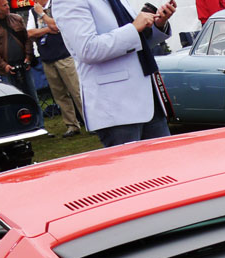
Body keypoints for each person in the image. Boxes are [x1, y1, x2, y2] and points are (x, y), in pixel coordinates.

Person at [58, 0, 177, 147]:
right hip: (117, 109)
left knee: (164, 160)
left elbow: (137, 43)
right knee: (129, 162)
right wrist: (134, 28)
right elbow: (87, 49)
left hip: (149, 100)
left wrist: (158, 24)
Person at [0, 0, 45, 128]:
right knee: (11, 99)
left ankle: (39, 125)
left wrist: (28, 57)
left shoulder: (17, 19)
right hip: (5, 69)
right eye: (4, 5)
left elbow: (27, 39)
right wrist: (4, 65)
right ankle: (17, 128)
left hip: (23, 65)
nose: (8, 7)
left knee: (32, 97)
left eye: (7, 4)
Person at [30, 0, 85, 136]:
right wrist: (48, 29)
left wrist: (42, 15)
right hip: (47, 58)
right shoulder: (32, 11)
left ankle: (91, 123)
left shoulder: (57, 5)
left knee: (76, 91)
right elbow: (30, 33)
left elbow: (58, 26)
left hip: (64, 56)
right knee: (60, 95)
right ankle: (72, 125)